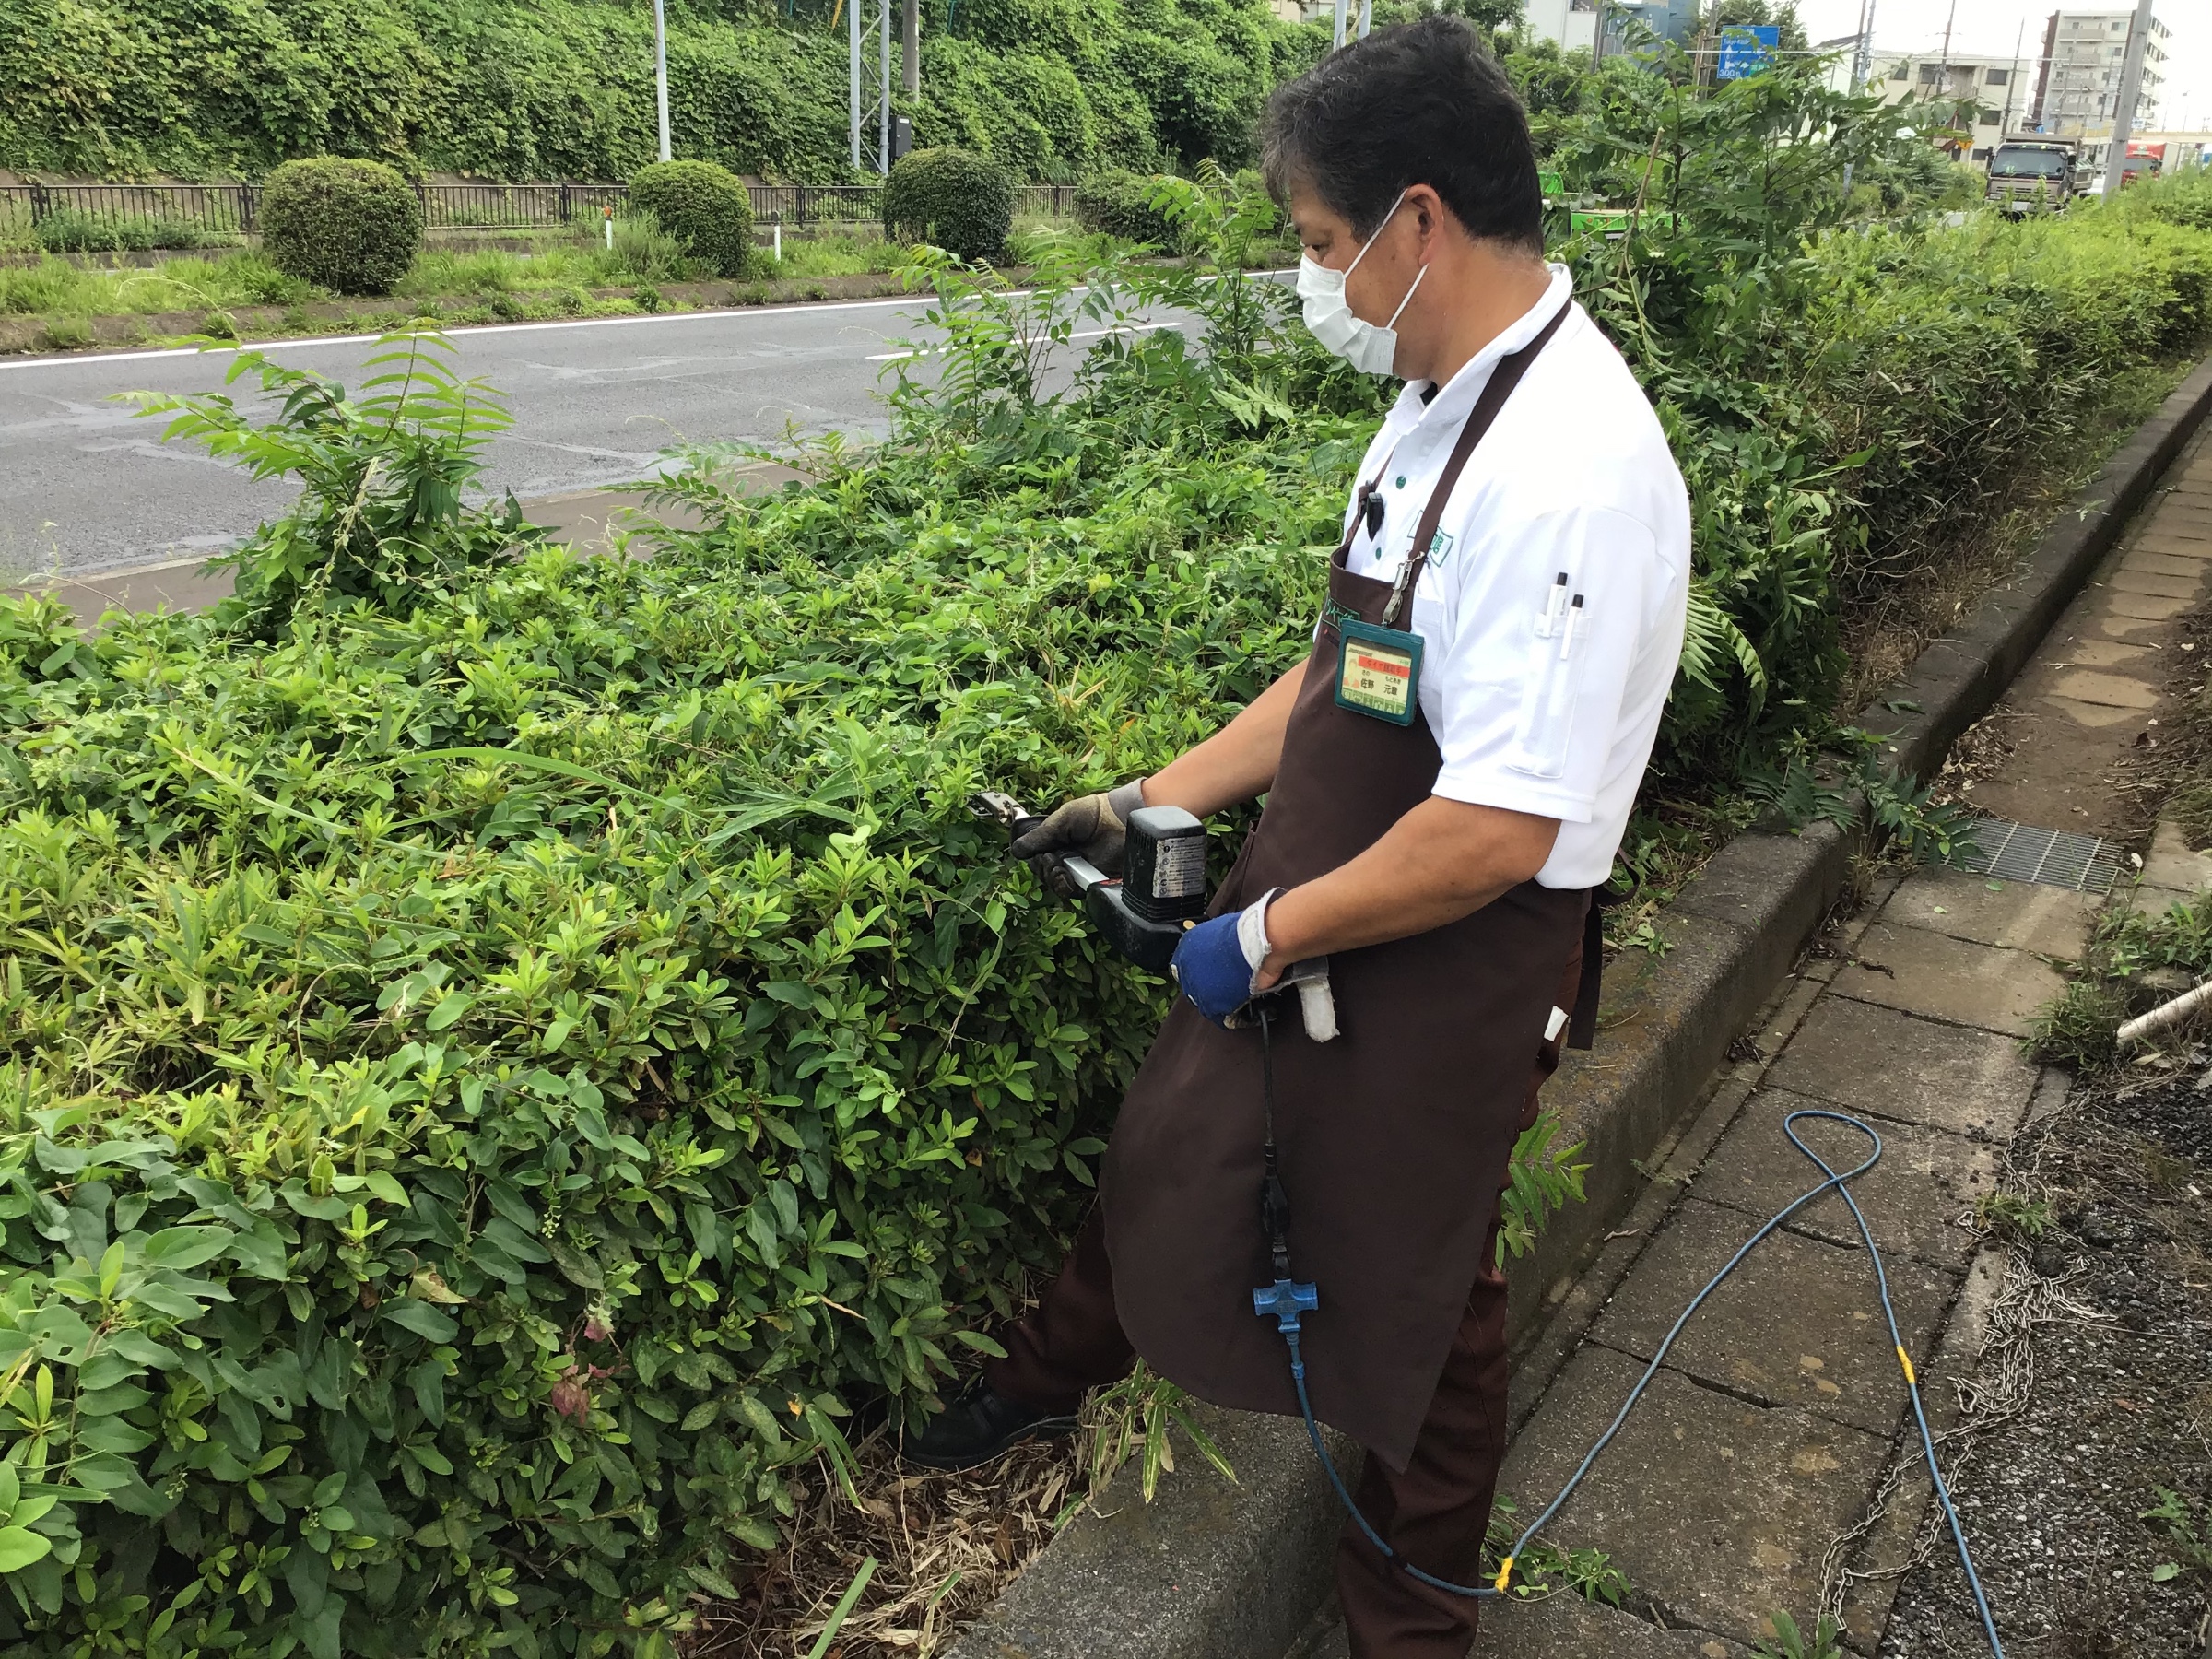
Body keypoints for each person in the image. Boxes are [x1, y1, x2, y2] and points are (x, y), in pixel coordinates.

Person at [905, 17, 1690, 1657]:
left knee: (1425, 1304)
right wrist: (1159, 801)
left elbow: (1493, 829)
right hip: (1338, 886)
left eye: (1328, 245)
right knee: (1183, 1139)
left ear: (1419, 223)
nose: (1323, 283)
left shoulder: (1571, 474)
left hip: (1454, 949)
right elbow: (1346, 664)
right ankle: (1036, 1385)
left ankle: (1410, 1633)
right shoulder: (1441, 401)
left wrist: (1260, 935)